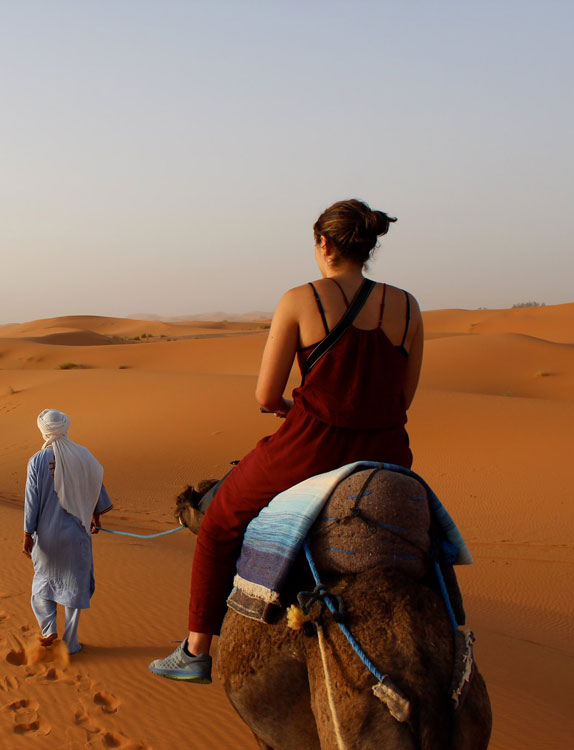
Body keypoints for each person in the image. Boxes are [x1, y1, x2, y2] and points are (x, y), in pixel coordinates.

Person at [149, 199, 424, 683]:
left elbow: (265, 394)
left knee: (218, 523)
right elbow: (403, 397)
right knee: (428, 541)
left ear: (324, 244)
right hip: (387, 451)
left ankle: (195, 649)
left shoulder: (301, 299)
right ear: (367, 246)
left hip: (312, 446)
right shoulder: (407, 306)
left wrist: (287, 408)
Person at [24, 408, 113, 654]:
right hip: (77, 533)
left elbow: (31, 502)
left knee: (42, 583)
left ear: (43, 430)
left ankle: (48, 629)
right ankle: (71, 643)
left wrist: (27, 533)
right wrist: (95, 517)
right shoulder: (83, 456)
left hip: (47, 536)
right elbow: (96, 486)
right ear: (65, 426)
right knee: (74, 588)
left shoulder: (37, 461)